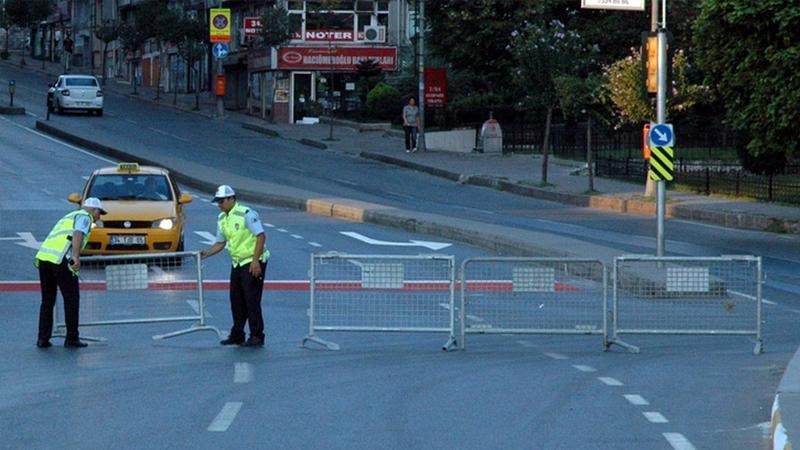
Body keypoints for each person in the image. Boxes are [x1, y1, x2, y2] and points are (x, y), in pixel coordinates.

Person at [200, 185, 270, 347]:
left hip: (253, 261)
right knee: (236, 299)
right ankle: (238, 334)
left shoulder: (246, 214)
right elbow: (220, 243)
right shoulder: (222, 218)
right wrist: (205, 254)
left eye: (222, 201)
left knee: (251, 299)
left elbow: (260, 236)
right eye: (217, 202)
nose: (219, 204)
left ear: (232, 199)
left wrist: (255, 261)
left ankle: (257, 335)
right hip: (237, 262)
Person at [35, 197, 107, 348]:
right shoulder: (84, 217)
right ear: (94, 210)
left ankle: (43, 338)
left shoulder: (68, 216)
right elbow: (78, 233)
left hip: (44, 259)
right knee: (71, 299)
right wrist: (75, 256)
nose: (99, 217)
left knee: (47, 301)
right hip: (62, 259)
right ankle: (72, 338)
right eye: (99, 213)